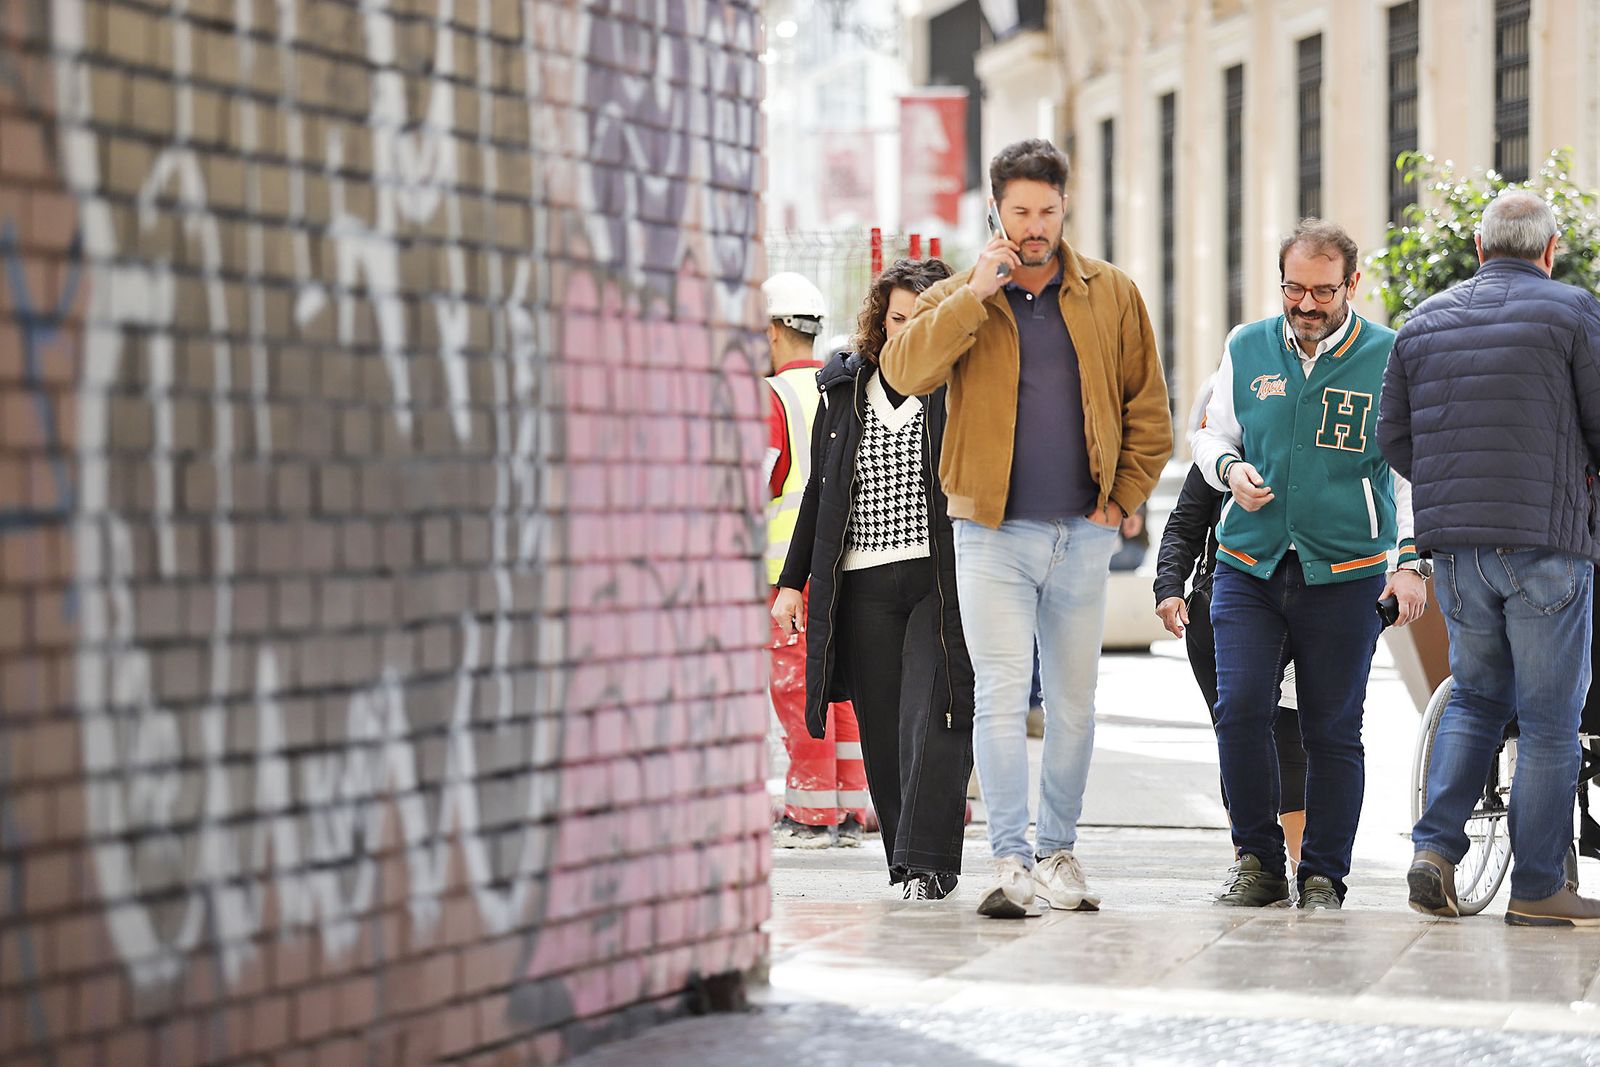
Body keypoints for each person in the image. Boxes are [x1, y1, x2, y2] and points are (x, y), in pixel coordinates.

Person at [881, 138, 1172, 918]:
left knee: (1076, 703)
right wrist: (974, 293)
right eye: (1020, 211)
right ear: (995, 210)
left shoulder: (1110, 292)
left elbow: (1149, 407)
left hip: (1083, 533)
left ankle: (1058, 852)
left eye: (1047, 210)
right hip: (989, 534)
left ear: (1065, 207)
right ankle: (1009, 859)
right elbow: (904, 372)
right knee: (1001, 696)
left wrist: (1123, 497)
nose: (1035, 225)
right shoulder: (963, 294)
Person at [1191, 219, 1426, 911]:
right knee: (1239, 711)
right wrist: (1229, 469)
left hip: (1345, 571)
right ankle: (1258, 860)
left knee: (1332, 727)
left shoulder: (1388, 355)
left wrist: (1409, 561)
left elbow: (1411, 472)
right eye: (1294, 287)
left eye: (1323, 290)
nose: (1307, 303)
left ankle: (1323, 873)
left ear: (1352, 284)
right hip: (1249, 564)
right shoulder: (1247, 345)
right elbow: (1210, 434)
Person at [1380, 189, 1600, 926]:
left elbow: (1396, 441)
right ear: (1550, 247)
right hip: (1548, 545)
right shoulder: (1574, 312)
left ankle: (1435, 851)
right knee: (1548, 721)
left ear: (1479, 249)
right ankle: (1538, 887)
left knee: (1474, 698)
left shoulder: (1424, 322)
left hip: (1459, 553)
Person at [771, 258, 975, 900]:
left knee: (933, 721)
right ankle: (904, 865)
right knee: (884, 732)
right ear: (877, 323)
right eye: (896, 320)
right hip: (862, 588)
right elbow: (817, 497)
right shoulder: (844, 391)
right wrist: (789, 583)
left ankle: (933, 864)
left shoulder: (962, 386)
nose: (907, 331)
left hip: (937, 581)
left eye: (922, 319)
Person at [1155, 382, 1308, 879]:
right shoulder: (1223, 459)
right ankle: (1252, 857)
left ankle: (1298, 861)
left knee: (1291, 735)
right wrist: (1169, 587)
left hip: (1303, 610)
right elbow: (1184, 523)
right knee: (1238, 731)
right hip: (1221, 610)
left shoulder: (1309, 447)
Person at [763, 271, 869, 848]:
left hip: (788, 578)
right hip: (841, 569)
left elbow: (758, 483)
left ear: (774, 331)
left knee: (799, 689)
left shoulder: (773, 397)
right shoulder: (838, 388)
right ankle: (854, 809)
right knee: (842, 691)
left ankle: (808, 813)